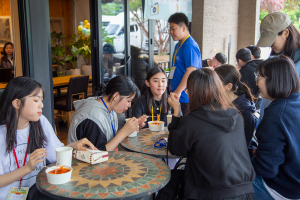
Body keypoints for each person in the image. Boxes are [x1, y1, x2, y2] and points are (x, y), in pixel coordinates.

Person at [156, 68, 255, 200]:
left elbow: (175, 148)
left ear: (195, 92)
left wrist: (176, 111)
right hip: (245, 191)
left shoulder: (193, 120)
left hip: (212, 193)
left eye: (188, 89)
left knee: (172, 179)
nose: (187, 92)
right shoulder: (235, 115)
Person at [0, 77, 97, 200]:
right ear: (17, 103)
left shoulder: (40, 122)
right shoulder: (1, 134)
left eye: (41, 100)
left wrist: (72, 147)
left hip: (38, 191)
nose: (41, 105)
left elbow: (53, 155)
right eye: (36, 100)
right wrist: (27, 168)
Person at [252, 55, 300, 200]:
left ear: (274, 80)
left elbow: (266, 169)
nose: (257, 83)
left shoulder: (276, 115)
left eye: (259, 77)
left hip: (281, 188)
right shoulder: (295, 101)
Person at [67, 75, 147, 151]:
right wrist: (124, 132)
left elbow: (111, 140)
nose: (129, 105)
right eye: (128, 101)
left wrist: (130, 129)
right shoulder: (92, 117)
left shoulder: (110, 109)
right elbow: (99, 154)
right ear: (116, 96)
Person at [168, 12, 202, 116]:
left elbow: (191, 72)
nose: (171, 32)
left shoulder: (189, 46)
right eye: (170, 29)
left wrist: (177, 92)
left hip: (185, 97)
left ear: (183, 28)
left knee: (185, 126)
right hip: (177, 95)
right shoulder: (179, 44)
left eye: (173, 29)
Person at [215, 64, 256, 147]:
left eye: (215, 84)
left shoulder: (245, 111)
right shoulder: (221, 101)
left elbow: (244, 144)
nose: (211, 87)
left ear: (229, 86)